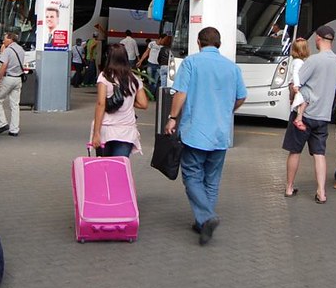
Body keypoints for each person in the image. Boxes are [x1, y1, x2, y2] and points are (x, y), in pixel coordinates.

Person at [164, 27, 246, 246]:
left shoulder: (191, 63)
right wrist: (227, 111)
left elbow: (181, 93)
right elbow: (241, 96)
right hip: (221, 134)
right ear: (219, 44)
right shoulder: (232, 67)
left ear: (199, 43)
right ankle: (203, 222)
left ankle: (207, 217)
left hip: (195, 132)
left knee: (192, 176)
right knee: (212, 180)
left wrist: (172, 118)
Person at [283, 25, 336, 204]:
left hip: (304, 113)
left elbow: (297, 83)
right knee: (319, 154)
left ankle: (289, 188)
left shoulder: (314, 60)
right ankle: (321, 192)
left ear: (318, 39)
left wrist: (292, 96)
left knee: (295, 151)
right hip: (323, 115)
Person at [91, 43, 148, 157]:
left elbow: (101, 104)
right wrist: (129, 101)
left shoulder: (104, 77)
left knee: (104, 166)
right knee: (119, 166)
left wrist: (96, 133)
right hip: (126, 131)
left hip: (106, 129)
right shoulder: (134, 79)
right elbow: (143, 104)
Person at [0, 32, 26, 137]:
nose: (3, 41)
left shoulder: (8, 50)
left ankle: (2, 123)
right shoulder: (21, 49)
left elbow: (3, 67)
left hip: (8, 78)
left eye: (5, 39)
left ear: (10, 39)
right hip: (18, 79)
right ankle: (14, 129)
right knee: (15, 105)